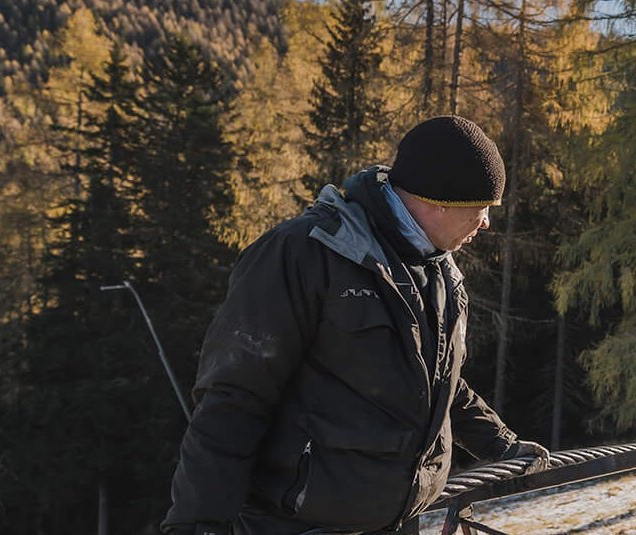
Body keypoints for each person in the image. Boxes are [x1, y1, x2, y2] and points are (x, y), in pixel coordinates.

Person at [162, 116, 552, 535]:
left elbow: (440, 383)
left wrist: (501, 445)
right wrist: (199, 524)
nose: (486, 223)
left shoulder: (439, 273)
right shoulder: (302, 253)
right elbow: (233, 398)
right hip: (297, 526)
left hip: (399, 522)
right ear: (438, 200)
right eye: (480, 208)